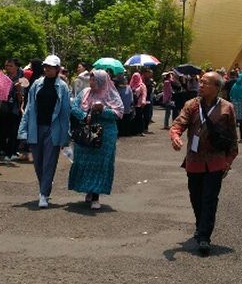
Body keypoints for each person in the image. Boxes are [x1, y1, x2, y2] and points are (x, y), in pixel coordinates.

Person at [169, 71, 239, 255]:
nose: (200, 85)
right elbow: (178, 124)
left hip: (216, 161)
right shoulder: (191, 105)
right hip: (194, 161)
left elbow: (232, 139)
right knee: (196, 197)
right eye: (200, 82)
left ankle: (204, 237)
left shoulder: (227, 108)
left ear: (217, 87)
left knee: (209, 198)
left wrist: (228, 160)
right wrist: (175, 136)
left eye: (205, 83)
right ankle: (201, 226)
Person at [18, 55, 71, 208]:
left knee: (49, 162)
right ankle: (45, 186)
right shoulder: (36, 84)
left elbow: (65, 112)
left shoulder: (62, 87)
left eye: (51, 67)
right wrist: (23, 130)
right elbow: (29, 108)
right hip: (36, 127)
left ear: (57, 69)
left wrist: (65, 134)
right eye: (46, 66)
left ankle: (44, 194)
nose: (47, 69)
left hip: (53, 128)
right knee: (38, 162)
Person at [68, 69, 124, 210]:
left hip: (106, 134)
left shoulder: (111, 94)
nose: (91, 82)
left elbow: (119, 113)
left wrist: (102, 110)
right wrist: (84, 115)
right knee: (85, 162)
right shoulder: (85, 92)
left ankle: (96, 195)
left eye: (94, 80)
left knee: (100, 164)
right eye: (91, 80)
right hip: (87, 133)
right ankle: (89, 189)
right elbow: (74, 107)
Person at [0, 58, 23, 160]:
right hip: (2, 108)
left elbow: (22, 99)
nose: (8, 68)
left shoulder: (21, 79)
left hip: (13, 109)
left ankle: (10, 152)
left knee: (12, 132)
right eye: (7, 66)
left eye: (11, 66)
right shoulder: (4, 77)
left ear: (17, 67)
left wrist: (18, 90)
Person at [229, 71, 242, 142]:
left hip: (234, 104)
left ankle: (234, 137)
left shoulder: (235, 85)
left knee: (234, 122)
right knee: (241, 122)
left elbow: (230, 95)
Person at [130, 71, 147, 136]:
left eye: (136, 77)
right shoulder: (131, 84)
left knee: (139, 117)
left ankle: (141, 131)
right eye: (134, 77)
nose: (135, 78)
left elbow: (144, 94)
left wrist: (143, 101)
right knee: (133, 117)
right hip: (132, 104)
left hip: (139, 104)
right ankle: (134, 131)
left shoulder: (142, 85)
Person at [142, 67, 155, 133]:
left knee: (148, 114)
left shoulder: (150, 80)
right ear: (145, 73)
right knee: (145, 114)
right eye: (149, 73)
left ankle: (146, 128)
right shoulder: (142, 80)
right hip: (144, 98)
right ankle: (143, 128)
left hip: (149, 98)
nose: (150, 75)